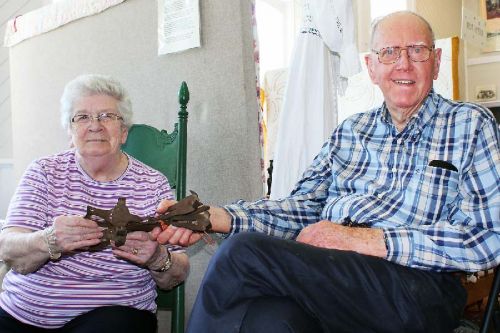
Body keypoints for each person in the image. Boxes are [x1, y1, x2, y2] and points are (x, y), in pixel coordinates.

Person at [158, 11, 500, 333]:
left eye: (417, 50)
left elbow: (488, 237)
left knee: (241, 253)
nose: (404, 63)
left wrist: (363, 240)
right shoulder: (350, 132)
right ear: (371, 67)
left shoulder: (469, 124)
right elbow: (301, 208)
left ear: (436, 62)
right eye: (389, 52)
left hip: (417, 285)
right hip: (337, 279)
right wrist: (217, 216)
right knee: (271, 321)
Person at [0, 74, 189, 332]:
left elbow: (177, 272)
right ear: (70, 131)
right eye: (83, 117)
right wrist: (49, 240)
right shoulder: (43, 172)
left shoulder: (152, 184)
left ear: (124, 132)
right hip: (22, 315)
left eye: (106, 116)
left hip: (113, 315)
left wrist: (157, 257)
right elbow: (9, 249)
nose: (95, 126)